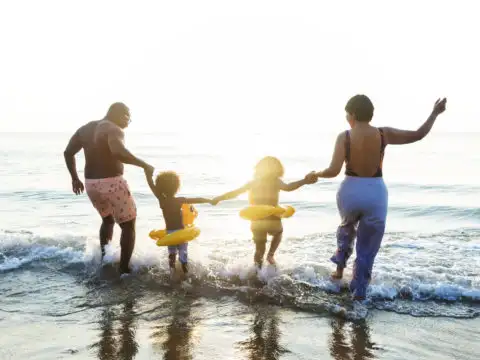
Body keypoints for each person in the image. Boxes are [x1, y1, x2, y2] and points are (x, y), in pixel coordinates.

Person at [312, 95, 447, 300]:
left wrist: (317, 174)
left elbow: (333, 170)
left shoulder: (344, 136)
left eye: (347, 114)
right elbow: (419, 134)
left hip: (350, 191)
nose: (347, 118)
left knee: (347, 228)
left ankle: (339, 271)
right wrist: (435, 113)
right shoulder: (384, 134)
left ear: (354, 114)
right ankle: (359, 293)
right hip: (375, 192)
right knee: (367, 246)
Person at [63, 102, 154, 275]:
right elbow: (118, 152)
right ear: (119, 114)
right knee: (128, 225)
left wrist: (75, 178)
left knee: (108, 220)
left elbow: (68, 152)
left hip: (91, 184)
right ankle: (124, 270)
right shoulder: (113, 128)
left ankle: (106, 258)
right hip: (112, 183)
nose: (129, 121)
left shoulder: (85, 128)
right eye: (128, 116)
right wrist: (144, 165)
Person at [213, 156, 317, 268]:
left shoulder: (253, 182)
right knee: (278, 233)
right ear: (277, 169)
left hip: (257, 218)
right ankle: (271, 255)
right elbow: (289, 187)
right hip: (272, 217)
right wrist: (304, 181)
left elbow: (235, 193)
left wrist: (219, 198)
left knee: (259, 249)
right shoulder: (276, 181)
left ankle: (257, 271)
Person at [145, 170, 214, 278]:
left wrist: (148, 174)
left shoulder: (162, 200)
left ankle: (172, 273)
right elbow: (197, 200)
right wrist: (209, 200)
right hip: (181, 233)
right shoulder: (179, 200)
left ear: (160, 188)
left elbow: (151, 186)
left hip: (170, 233)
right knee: (183, 254)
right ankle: (186, 274)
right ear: (177, 187)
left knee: (172, 254)